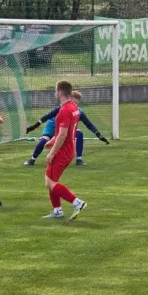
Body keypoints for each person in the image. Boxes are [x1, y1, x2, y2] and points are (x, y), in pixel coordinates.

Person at [24, 91, 110, 166]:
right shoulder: (62, 108)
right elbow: (47, 116)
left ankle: (79, 159)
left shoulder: (79, 111)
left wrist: (99, 135)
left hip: (65, 129)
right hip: (52, 126)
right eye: (73, 100)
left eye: (76, 102)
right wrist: (33, 127)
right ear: (70, 99)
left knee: (79, 134)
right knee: (43, 141)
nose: (74, 103)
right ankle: (32, 159)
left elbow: (89, 124)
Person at [42, 81, 87, 220]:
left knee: (49, 182)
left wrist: (52, 153)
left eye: (56, 91)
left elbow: (62, 134)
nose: (55, 93)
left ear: (60, 92)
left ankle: (77, 202)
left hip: (62, 151)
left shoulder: (64, 110)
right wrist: (52, 140)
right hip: (69, 149)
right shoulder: (74, 107)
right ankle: (57, 211)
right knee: (52, 180)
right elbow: (64, 132)